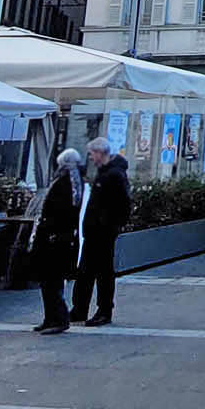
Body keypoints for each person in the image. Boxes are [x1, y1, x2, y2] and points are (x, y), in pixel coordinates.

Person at [17, 147, 83, 333]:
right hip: (59, 238)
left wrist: (49, 229)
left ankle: (58, 319)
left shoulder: (65, 183)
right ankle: (50, 318)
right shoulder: (74, 182)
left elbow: (60, 212)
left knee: (51, 280)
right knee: (50, 281)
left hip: (54, 239)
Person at [73, 135, 133, 327]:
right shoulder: (104, 172)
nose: (90, 158)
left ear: (100, 153)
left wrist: (111, 226)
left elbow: (124, 204)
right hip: (93, 232)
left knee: (103, 272)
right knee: (85, 272)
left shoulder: (114, 175)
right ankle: (79, 308)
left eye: (91, 154)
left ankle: (104, 310)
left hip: (103, 233)